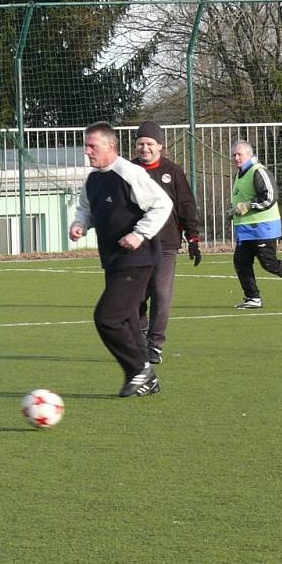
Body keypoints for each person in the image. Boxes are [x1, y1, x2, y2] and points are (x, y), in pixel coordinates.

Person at [69, 122, 173, 398]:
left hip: (137, 259)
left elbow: (163, 204)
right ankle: (145, 377)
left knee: (107, 318)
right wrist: (80, 224)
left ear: (111, 147)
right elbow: (86, 208)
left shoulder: (129, 172)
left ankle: (139, 369)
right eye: (86, 146)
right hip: (114, 260)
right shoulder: (93, 179)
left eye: (93, 146)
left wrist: (140, 234)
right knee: (126, 319)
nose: (87, 151)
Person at [131, 121, 202, 364]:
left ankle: (155, 345)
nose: (145, 148)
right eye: (140, 143)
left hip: (166, 243)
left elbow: (186, 205)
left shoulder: (173, 171)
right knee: (136, 296)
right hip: (136, 245)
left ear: (160, 145)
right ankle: (140, 336)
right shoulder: (127, 171)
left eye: (150, 143)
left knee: (162, 295)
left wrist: (193, 238)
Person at [228, 139, 282, 308]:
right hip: (247, 230)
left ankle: (253, 297)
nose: (236, 158)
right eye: (234, 155)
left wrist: (249, 206)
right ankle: (253, 298)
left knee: (269, 263)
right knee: (241, 261)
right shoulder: (240, 174)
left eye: (239, 154)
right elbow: (242, 199)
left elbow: (270, 197)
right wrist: (233, 211)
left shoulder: (258, 171)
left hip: (262, 228)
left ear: (250, 154)